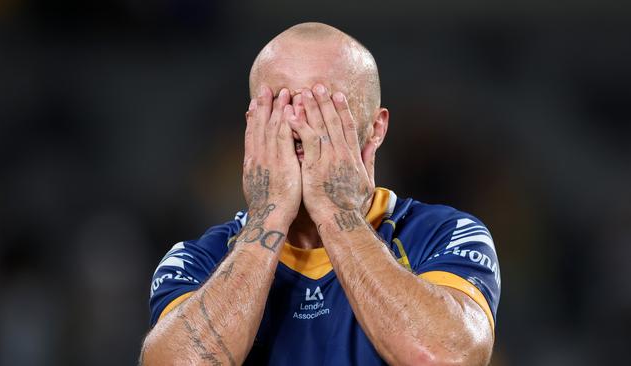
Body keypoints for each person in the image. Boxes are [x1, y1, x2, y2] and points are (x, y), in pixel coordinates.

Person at [140, 22, 500, 366]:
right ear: (253, 123)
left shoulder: (444, 233)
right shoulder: (197, 259)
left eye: (322, 103)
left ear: (376, 129)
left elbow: (445, 356)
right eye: (281, 103)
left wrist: (336, 211)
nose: (300, 123)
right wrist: (269, 214)